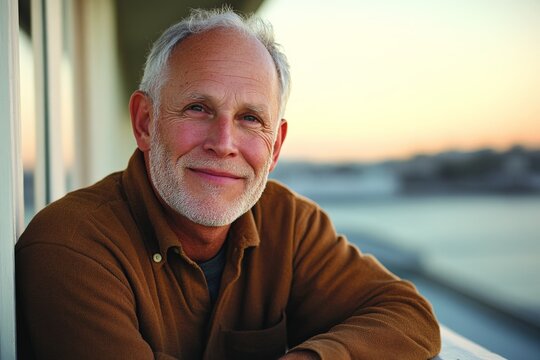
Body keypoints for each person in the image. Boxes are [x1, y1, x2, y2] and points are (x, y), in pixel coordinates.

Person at [16, 8, 441, 360]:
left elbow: (408, 316)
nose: (224, 144)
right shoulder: (70, 245)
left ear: (275, 147)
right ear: (145, 123)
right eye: (199, 108)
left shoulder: (287, 222)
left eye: (250, 119)